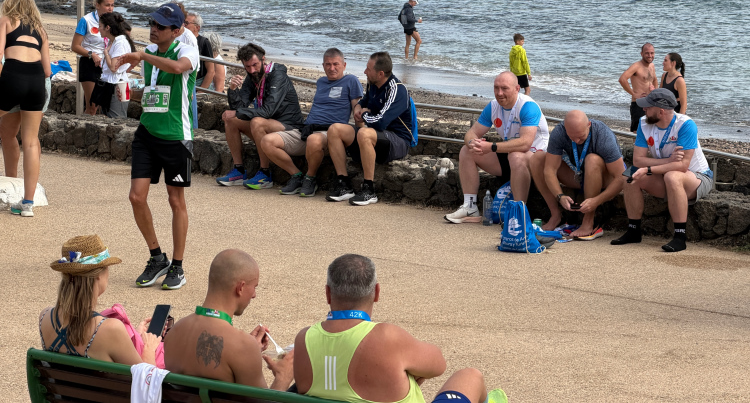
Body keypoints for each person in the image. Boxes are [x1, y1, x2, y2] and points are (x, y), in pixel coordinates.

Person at [294, 254, 497, 403]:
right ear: (377, 293)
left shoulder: (304, 339)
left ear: (328, 294)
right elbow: (438, 364)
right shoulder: (386, 338)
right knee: (470, 376)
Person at [116, 3, 199, 290]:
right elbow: (152, 92)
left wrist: (141, 55)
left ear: (176, 31)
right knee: (136, 197)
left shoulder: (187, 50)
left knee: (176, 201)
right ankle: (157, 257)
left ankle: (178, 265)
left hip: (176, 136)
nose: (154, 29)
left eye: (161, 26)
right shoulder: (150, 53)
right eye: (152, 23)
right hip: (147, 133)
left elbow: (176, 68)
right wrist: (126, 82)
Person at [164, 249, 294, 388]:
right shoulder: (242, 346)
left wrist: (248, 351)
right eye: (254, 287)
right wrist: (283, 376)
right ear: (240, 287)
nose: (254, 295)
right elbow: (263, 399)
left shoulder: (174, 332)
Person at [611, 88, 713, 252]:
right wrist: (668, 161)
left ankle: (680, 237)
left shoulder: (685, 125)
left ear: (661, 111)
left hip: (698, 177)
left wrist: (649, 168)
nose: (644, 109)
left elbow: (682, 166)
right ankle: (633, 231)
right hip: (664, 173)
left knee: (673, 176)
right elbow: (638, 160)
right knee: (629, 176)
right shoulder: (644, 123)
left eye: (648, 106)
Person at [444, 71, 549, 223]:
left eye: (504, 88)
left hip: (535, 160)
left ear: (517, 89)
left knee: (516, 155)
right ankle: (470, 206)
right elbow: (471, 133)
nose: (499, 93)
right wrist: (473, 143)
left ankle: (518, 214)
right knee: (467, 151)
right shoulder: (493, 106)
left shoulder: (528, 106)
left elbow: (525, 143)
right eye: (496, 88)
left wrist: (492, 147)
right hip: (510, 157)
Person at [40, 234, 160, 364]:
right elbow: (146, 376)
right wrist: (149, 348)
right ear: (98, 275)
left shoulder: (45, 317)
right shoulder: (110, 329)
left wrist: (135, 336)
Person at [262, 48, 363, 197]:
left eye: (336, 64)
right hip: (307, 129)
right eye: (328, 64)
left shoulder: (351, 80)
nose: (332, 68)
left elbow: (357, 108)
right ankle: (296, 176)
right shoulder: (321, 82)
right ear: (323, 66)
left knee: (314, 140)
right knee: (267, 141)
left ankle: (310, 178)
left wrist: (361, 135)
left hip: (330, 134)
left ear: (344, 65)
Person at [325, 51, 414, 206]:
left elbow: (381, 123)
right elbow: (365, 101)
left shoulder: (397, 89)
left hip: (398, 141)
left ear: (380, 74)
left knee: (364, 133)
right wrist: (358, 107)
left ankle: (369, 189)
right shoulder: (373, 84)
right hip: (377, 136)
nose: (365, 71)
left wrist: (365, 115)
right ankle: (344, 184)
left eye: (368, 69)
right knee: (334, 130)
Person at [215, 43, 304, 189]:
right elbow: (239, 108)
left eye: (255, 65)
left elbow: (268, 111)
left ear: (263, 59)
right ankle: (239, 171)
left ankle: (264, 173)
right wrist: (232, 90)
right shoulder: (252, 76)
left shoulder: (277, 75)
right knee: (231, 119)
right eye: (247, 67)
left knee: (257, 122)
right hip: (269, 124)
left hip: (290, 127)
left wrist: (238, 112)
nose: (252, 70)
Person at [530, 110, 626, 239]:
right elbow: (550, 170)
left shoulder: (603, 134)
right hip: (579, 174)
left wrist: (596, 201)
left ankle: (588, 221)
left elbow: (621, 177)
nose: (576, 140)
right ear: (565, 128)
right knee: (537, 159)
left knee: (592, 159)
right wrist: (560, 196)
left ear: (589, 125)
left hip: (604, 177)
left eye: (581, 136)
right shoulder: (559, 132)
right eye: (572, 137)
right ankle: (555, 215)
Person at [0, 0, 51, 217]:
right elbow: (48, 70)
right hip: (36, 81)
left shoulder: (6, 21)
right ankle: (27, 203)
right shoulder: (40, 30)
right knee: (30, 142)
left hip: (13, 76)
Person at [70, 0, 115, 115]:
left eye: (112, 5)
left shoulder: (112, 21)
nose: (110, 8)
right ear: (97, 5)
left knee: (102, 105)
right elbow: (75, 46)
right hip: (89, 63)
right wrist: (92, 54)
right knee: (92, 106)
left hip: (106, 63)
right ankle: (83, 126)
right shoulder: (86, 20)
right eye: (107, 5)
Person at [88, 12, 136, 118]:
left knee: (116, 119)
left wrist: (106, 53)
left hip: (118, 86)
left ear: (107, 27)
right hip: (111, 84)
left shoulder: (120, 43)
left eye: (100, 26)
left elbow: (114, 67)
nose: (98, 29)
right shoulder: (115, 41)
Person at [619, 43, 658, 132]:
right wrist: (634, 94)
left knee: (650, 129)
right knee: (637, 131)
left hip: (650, 102)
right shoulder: (636, 66)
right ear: (642, 54)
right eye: (647, 53)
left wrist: (655, 91)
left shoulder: (652, 66)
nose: (650, 55)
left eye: (652, 53)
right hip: (638, 104)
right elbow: (622, 79)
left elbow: (655, 79)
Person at [184, 12, 215, 92]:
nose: (183, 25)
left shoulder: (204, 42)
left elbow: (211, 71)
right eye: (183, 22)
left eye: (186, 23)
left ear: (197, 27)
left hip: (197, 83)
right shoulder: (181, 40)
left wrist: (201, 91)